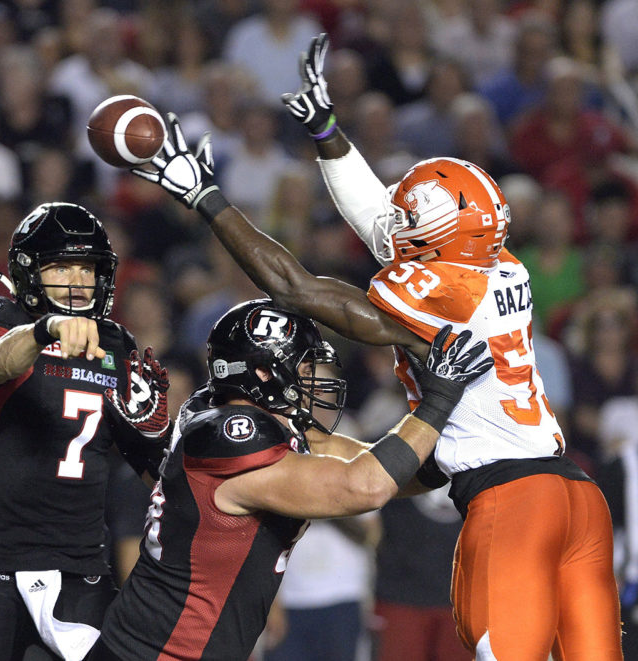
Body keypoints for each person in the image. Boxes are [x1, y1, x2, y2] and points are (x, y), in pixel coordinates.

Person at [129, 34, 623, 661]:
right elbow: (380, 226)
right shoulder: (503, 270)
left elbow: (297, 287)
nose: (397, 224)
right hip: (577, 496)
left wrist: (207, 198)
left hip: (514, 502)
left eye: (412, 219)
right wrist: (329, 135)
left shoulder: (440, 293)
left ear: (435, 234)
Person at [99, 298, 492, 660]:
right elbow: (366, 485)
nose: (313, 381)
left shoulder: (244, 421)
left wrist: (464, 450)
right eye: (304, 369)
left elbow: (384, 469)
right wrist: (440, 398)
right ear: (263, 372)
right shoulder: (234, 438)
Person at [0, 202, 171, 661]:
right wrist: (44, 329)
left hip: (81, 570)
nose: (77, 281)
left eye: (86, 269)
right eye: (61, 267)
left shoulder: (116, 344)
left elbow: (153, 470)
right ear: (29, 273)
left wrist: (155, 435)